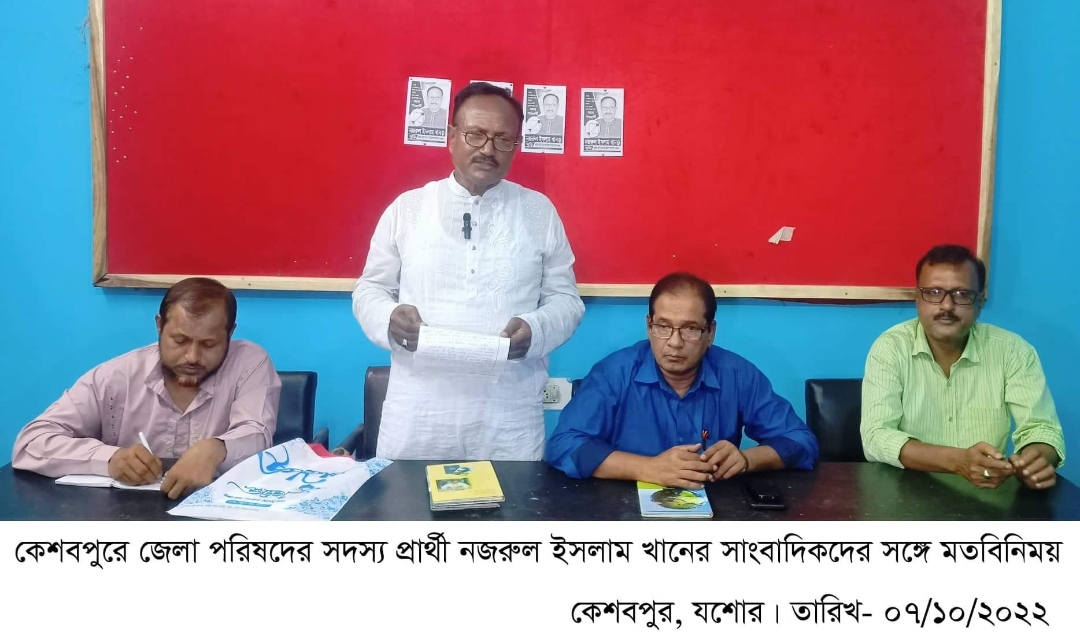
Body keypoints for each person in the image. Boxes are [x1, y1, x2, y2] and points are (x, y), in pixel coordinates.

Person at [352, 81, 585, 461]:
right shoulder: (408, 209)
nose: (488, 149)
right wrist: (390, 317)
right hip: (418, 417)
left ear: (516, 146)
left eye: (502, 139)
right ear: (451, 137)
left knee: (511, 501)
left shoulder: (539, 212)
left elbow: (567, 300)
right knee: (408, 500)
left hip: (508, 419)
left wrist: (536, 329)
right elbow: (370, 289)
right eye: (475, 134)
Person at [12, 277, 281, 499]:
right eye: (180, 341)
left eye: (209, 344)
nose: (192, 357)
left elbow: (257, 434)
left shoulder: (250, 364)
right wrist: (109, 459)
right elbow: (31, 443)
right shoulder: (116, 376)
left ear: (230, 334)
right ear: (159, 326)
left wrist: (216, 450)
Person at [546, 272, 818, 486]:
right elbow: (563, 445)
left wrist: (747, 460)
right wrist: (647, 468)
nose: (674, 342)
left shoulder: (737, 374)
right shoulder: (613, 373)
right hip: (625, 510)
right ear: (649, 326)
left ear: (710, 333)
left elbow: (800, 441)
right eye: (663, 326)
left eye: (690, 329)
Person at [861, 244, 1066, 489]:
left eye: (962, 294)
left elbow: (1041, 428)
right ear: (918, 299)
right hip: (904, 490)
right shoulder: (891, 348)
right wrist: (957, 461)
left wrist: (1036, 459)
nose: (947, 306)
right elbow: (876, 437)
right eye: (934, 292)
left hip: (986, 493)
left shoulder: (1013, 351)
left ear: (979, 302)